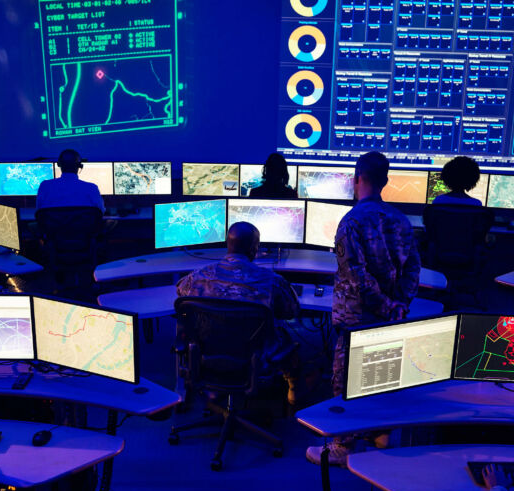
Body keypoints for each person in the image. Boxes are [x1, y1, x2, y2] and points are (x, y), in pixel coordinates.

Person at [306, 151, 421, 466]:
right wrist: (399, 305)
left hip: (357, 316)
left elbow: (354, 276)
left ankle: (343, 446)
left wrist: (384, 305)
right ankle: (380, 433)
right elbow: (413, 269)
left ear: (357, 179)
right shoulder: (401, 221)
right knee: (381, 373)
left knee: (345, 380)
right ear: (385, 181)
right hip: (390, 316)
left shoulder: (350, 222)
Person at [176, 221, 302, 404]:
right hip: (254, 357)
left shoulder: (198, 277)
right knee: (285, 335)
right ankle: (293, 394)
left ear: (228, 245)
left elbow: (180, 294)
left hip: (208, 353)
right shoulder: (272, 281)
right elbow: (292, 311)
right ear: (254, 249)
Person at [36, 149, 105, 212]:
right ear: (79, 166)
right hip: (82, 226)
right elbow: (101, 212)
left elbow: (38, 212)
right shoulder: (92, 188)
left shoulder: (45, 186)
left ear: (59, 164)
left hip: (53, 226)